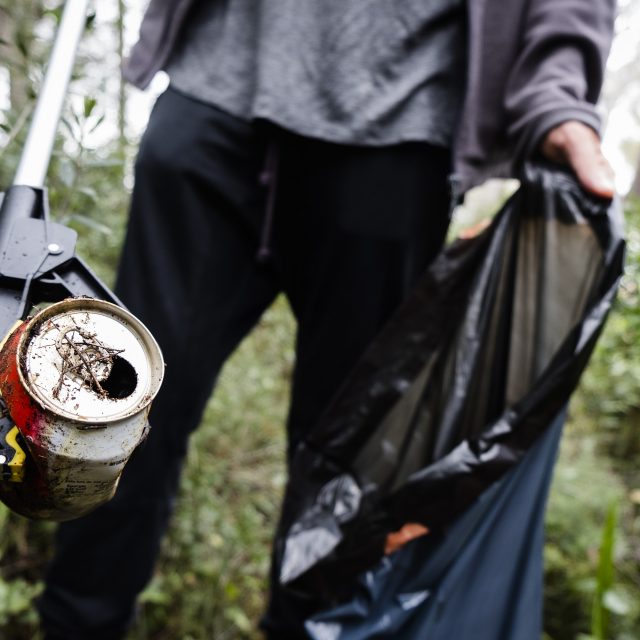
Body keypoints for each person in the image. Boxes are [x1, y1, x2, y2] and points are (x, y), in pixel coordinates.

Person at [38, 1, 617, 638]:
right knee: (116, 417)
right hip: (216, 86)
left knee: (340, 473)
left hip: (399, 125)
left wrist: (558, 94)